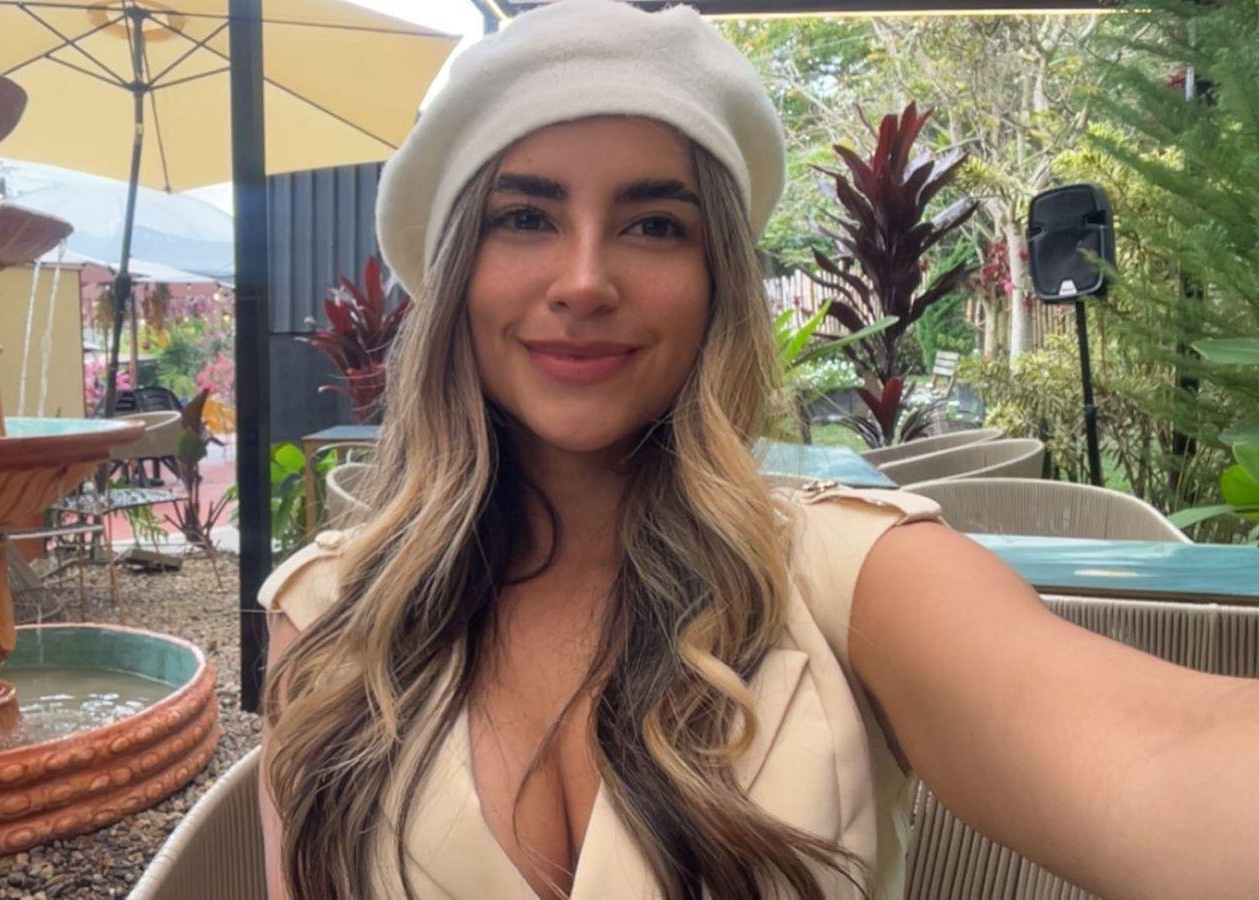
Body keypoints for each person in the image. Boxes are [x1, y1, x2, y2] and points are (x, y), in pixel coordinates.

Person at [256, 2, 1259, 898]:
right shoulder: (328, 616)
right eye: (524, 217)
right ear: (455, 274)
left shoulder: (856, 578)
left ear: (717, 285)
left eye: (654, 225)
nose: (585, 280)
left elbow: (1166, 755)